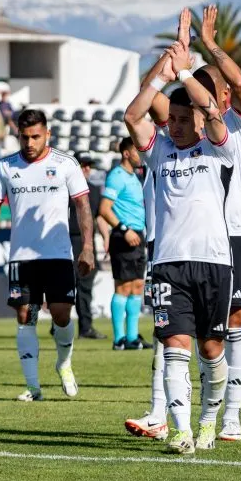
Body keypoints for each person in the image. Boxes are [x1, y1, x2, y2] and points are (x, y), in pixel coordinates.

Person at [146, 7, 241, 443]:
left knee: (233, 326)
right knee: (174, 334)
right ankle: (166, 415)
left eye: (216, 86)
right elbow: (150, 103)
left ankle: (230, 416)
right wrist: (175, 57)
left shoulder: (237, 124)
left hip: (230, 238)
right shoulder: (185, 125)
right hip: (182, 241)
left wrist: (207, 48)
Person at [124, 40, 235, 455]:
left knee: (211, 350)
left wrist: (186, 72)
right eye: (172, 120)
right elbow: (132, 116)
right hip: (169, 264)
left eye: (184, 120)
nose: (175, 127)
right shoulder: (160, 152)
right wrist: (161, 77)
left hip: (214, 262)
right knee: (174, 348)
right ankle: (181, 431)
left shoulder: (219, 148)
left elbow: (213, 112)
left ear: (199, 121)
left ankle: (208, 422)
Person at [0, 109, 93, 402]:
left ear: (47, 134)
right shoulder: (6, 166)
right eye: (24, 137)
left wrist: (88, 246)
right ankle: (33, 387)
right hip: (22, 256)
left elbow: (82, 206)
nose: (29, 143)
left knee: (61, 314)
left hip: (58, 254)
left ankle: (64, 363)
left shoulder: (66, 164)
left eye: (35, 136)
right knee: (24, 315)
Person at [100, 138, 149, 350]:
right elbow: (104, 209)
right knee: (123, 286)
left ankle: (132, 337)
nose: (141, 155)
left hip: (137, 234)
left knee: (137, 285)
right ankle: (119, 339)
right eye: (137, 151)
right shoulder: (117, 176)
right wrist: (123, 229)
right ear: (126, 153)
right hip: (123, 235)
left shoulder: (134, 177)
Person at [69, 154, 105, 340]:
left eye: (89, 165)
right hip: (67, 240)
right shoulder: (64, 189)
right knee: (64, 287)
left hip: (87, 243)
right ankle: (59, 324)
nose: (87, 169)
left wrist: (106, 237)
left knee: (85, 286)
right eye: (83, 165)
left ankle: (85, 327)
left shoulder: (94, 190)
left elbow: (99, 216)